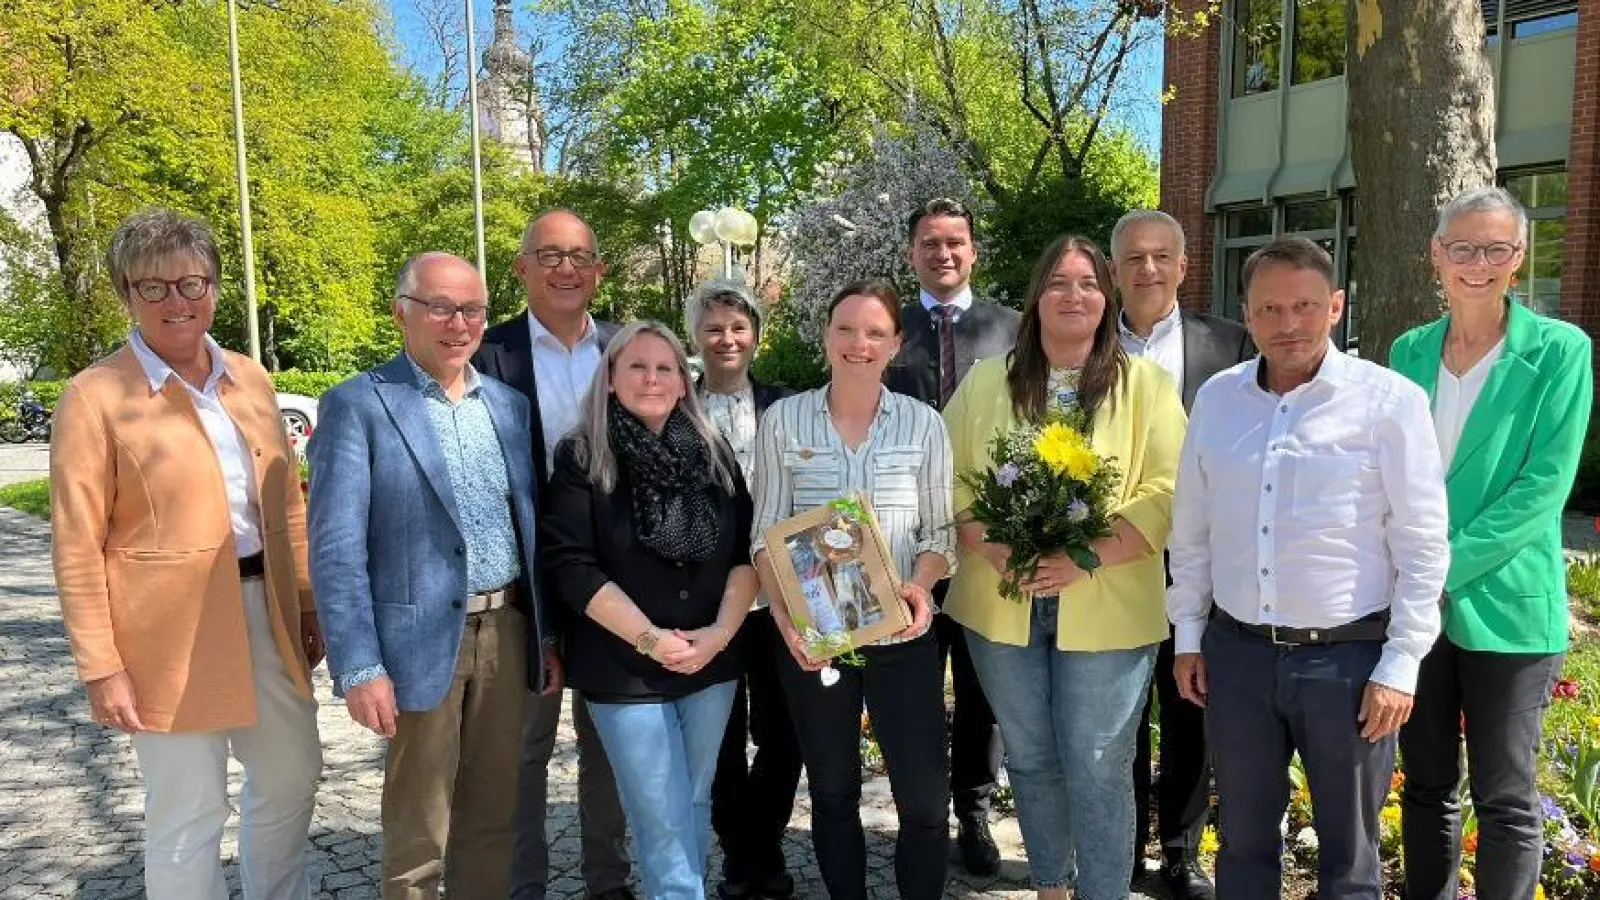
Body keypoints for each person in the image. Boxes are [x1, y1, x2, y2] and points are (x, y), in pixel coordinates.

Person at [50, 208, 323, 898]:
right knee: (187, 809)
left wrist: (308, 603)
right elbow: (76, 540)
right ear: (126, 295)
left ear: (215, 287)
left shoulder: (250, 380)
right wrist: (101, 666)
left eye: (193, 283)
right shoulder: (95, 396)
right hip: (163, 635)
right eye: (155, 287)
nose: (178, 301)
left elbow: (287, 499)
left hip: (266, 610)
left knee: (292, 777)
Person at [1167, 238, 1451, 900]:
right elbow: (1192, 528)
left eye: (1305, 306)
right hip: (1237, 659)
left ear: (1336, 307)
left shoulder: (1390, 402)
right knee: (1242, 843)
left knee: (1350, 862)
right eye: (1269, 308)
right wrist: (1187, 636)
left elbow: (1422, 540)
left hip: (1348, 668)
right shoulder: (1218, 399)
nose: (1287, 324)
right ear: (1246, 313)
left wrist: (1402, 663)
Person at [942, 235, 1185, 900]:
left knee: (1101, 765)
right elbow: (950, 478)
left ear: (1106, 299)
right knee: (1032, 757)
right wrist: (992, 545)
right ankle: (1051, 885)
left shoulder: (1147, 385)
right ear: (1036, 298)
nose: (1073, 295)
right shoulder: (988, 380)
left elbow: (1168, 489)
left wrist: (1087, 557)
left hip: (1108, 602)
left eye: (1087, 283)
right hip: (1001, 600)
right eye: (1058, 283)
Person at [308, 252, 555, 900]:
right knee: (419, 834)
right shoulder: (357, 406)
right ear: (402, 312)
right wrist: (360, 666)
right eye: (440, 306)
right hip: (415, 645)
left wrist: (544, 636)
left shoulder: (507, 406)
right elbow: (335, 551)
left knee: (492, 820)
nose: (458, 322)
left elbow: (527, 527)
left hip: (506, 631)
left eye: (472, 308)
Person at [1391, 187, 1594, 900]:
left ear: (1519, 258)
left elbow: (1543, 488)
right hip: (1421, 610)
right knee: (1425, 785)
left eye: (1496, 249)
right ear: (1437, 257)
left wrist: (1439, 567)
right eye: (1462, 248)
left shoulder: (1561, 352)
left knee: (1506, 798)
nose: (1478, 263)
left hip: (1507, 607)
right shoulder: (1408, 351)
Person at [750, 279, 955, 900]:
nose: (858, 344)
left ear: (895, 344)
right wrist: (788, 626)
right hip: (818, 639)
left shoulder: (923, 424)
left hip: (903, 634)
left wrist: (920, 586)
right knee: (833, 791)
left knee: (923, 800)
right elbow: (765, 538)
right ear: (825, 337)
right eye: (845, 329)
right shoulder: (783, 420)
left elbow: (942, 531)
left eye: (874, 332)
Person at [541, 320, 759, 900]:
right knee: (660, 812)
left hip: (710, 661)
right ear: (610, 378)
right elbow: (572, 568)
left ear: (684, 381)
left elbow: (744, 553)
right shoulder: (583, 456)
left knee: (690, 799)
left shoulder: (712, 452)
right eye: (637, 366)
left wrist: (717, 634)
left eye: (666, 368)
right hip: (625, 667)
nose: (652, 378)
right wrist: (650, 639)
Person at [472, 209, 633, 900]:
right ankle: (523, 887)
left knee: (610, 748)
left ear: (598, 271)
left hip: (614, 587)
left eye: (578, 256)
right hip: (524, 589)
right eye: (548, 255)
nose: (564, 268)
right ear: (521, 269)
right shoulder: (486, 354)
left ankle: (609, 882)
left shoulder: (629, 349)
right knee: (522, 753)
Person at [1109, 209, 1254, 900]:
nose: (1148, 270)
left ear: (1184, 266)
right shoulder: (1084, 349)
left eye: (1162, 256)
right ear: (1114, 270)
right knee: (1118, 712)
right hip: (1108, 562)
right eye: (1134, 257)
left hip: (1201, 561)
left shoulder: (1230, 345)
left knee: (1190, 702)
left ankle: (1180, 851)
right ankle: (1122, 845)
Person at [884, 197, 1018, 876]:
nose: (943, 253)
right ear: (912, 253)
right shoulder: (883, 328)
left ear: (974, 251)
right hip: (903, 542)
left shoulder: (1013, 330)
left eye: (955, 242)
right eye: (930, 243)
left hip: (986, 543)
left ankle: (974, 807)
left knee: (980, 685)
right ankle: (920, 811)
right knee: (909, 680)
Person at [686, 279, 804, 900]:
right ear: (696, 338)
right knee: (723, 733)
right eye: (713, 328)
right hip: (710, 600)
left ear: (756, 334)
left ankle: (767, 838)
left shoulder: (787, 405)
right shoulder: (676, 407)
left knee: (785, 731)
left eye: (737, 327)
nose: (726, 339)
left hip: (782, 594)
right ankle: (738, 851)